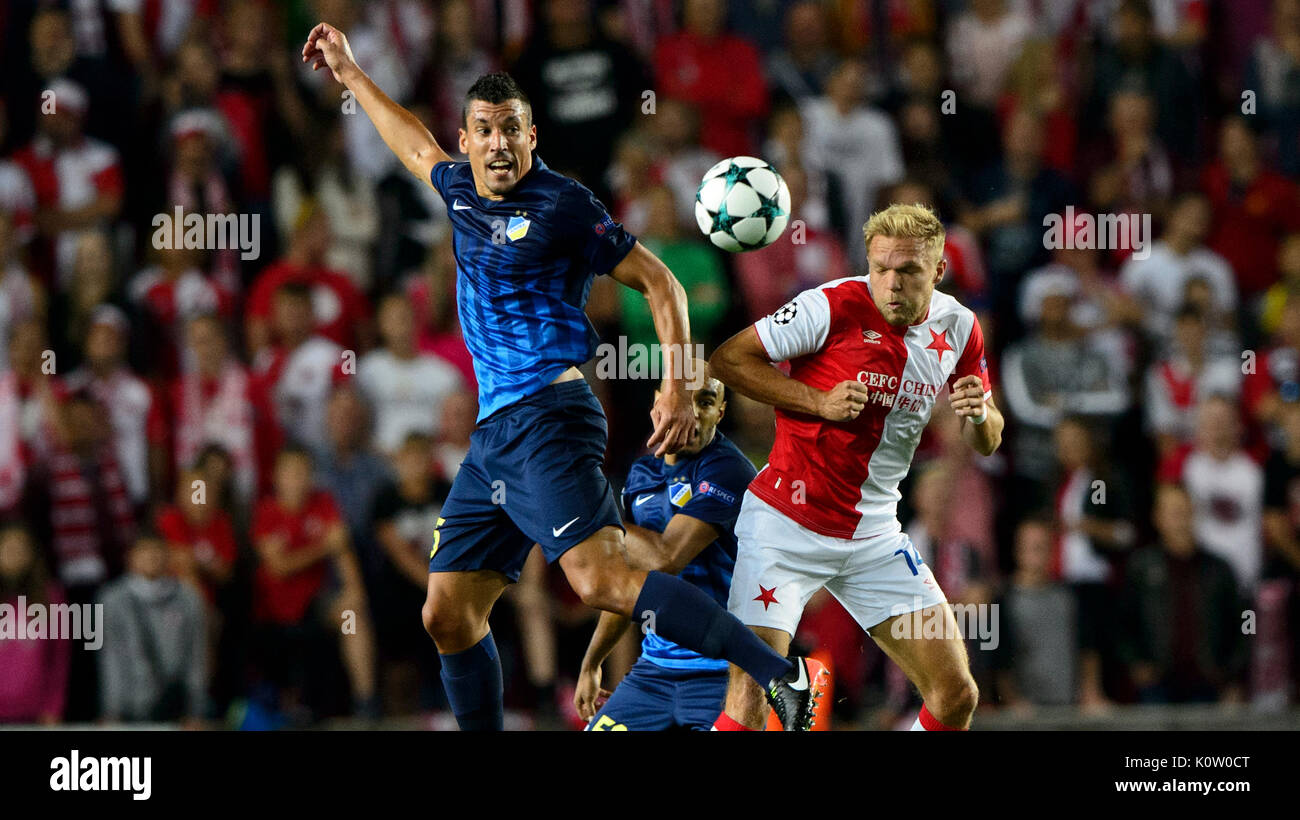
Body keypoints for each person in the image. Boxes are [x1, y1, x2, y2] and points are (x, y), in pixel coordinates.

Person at [301, 23, 818, 731]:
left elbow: (661, 283)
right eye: (484, 130)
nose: (498, 143)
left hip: (551, 413)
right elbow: (414, 145)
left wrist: (674, 381)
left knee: (599, 582)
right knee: (447, 612)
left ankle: (777, 674)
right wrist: (351, 74)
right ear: (468, 139)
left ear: (532, 135)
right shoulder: (457, 189)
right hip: (492, 437)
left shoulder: (564, 205)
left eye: (511, 129)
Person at [709, 202, 1003, 731]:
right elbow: (728, 359)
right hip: (784, 526)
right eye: (881, 267)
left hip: (874, 535)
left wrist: (979, 414)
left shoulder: (960, 326)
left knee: (956, 695)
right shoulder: (829, 305)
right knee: (750, 702)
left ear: (938, 270)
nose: (891, 283)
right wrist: (814, 400)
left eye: (908, 271)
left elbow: (987, 438)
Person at [574, 375, 757, 730]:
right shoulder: (640, 473)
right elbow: (629, 582)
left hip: (721, 674)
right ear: (658, 404)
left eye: (704, 402)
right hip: (653, 672)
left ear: (721, 413)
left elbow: (665, 559)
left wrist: (591, 518)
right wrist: (592, 662)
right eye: (680, 399)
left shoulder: (728, 470)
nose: (690, 413)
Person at [97, 529, 207, 725]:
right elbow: (110, 659)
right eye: (144, 551)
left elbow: (196, 656)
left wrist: (196, 709)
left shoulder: (188, 599)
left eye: (157, 551)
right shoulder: (111, 600)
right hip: (130, 707)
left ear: (168, 555)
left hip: (175, 704)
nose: (151, 557)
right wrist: (111, 709)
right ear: (130, 557)